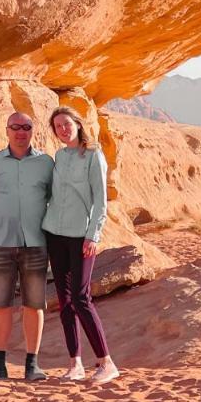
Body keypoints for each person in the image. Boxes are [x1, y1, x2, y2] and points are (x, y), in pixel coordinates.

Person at [0, 110, 55, 382]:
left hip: (36, 244)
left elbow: (58, 204)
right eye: (15, 127)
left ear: (33, 131)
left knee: (34, 305)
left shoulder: (46, 164)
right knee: (0, 305)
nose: (21, 132)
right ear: (6, 130)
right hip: (1, 244)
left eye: (26, 127)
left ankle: (32, 365)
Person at [41, 107, 119, 384]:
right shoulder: (59, 156)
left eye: (66, 123)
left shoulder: (93, 155)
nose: (63, 129)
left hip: (80, 235)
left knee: (80, 297)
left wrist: (93, 235)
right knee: (64, 301)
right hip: (54, 233)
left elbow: (100, 200)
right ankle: (75, 363)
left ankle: (106, 362)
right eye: (57, 126)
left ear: (77, 124)